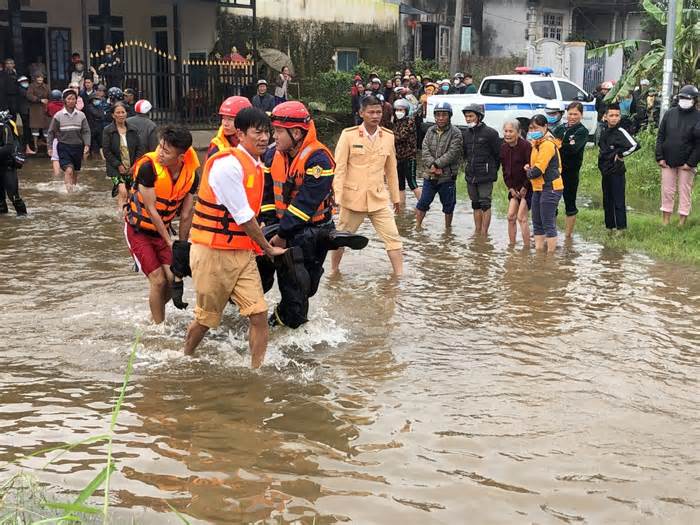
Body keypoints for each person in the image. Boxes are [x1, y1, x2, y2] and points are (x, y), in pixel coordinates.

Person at [183, 108, 286, 363]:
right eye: (257, 132)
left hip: (242, 252)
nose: (264, 138)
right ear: (240, 134)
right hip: (212, 252)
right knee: (205, 320)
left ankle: (256, 371)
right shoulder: (227, 165)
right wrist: (268, 248)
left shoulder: (257, 165)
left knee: (259, 313)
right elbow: (243, 217)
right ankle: (184, 357)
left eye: (267, 132)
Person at [259, 101, 367, 328]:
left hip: (309, 229)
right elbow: (268, 196)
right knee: (276, 283)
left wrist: (281, 235)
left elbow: (304, 205)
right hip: (281, 227)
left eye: (278, 131)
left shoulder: (319, 159)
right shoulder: (271, 155)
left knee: (306, 287)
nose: (273, 136)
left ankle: (329, 239)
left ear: (296, 132)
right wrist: (269, 226)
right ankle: (270, 323)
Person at [125, 125, 200, 324]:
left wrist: (181, 249)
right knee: (158, 280)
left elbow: (186, 215)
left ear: (181, 157)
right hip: (138, 230)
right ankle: (159, 330)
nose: (160, 153)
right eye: (160, 147)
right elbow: (151, 209)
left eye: (166, 151)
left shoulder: (192, 176)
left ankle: (153, 315)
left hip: (162, 231)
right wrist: (169, 243)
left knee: (171, 278)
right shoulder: (148, 167)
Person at [332, 95, 403, 276]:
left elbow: (391, 170)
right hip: (353, 199)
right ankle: (333, 272)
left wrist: (396, 198)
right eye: (371, 112)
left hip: (378, 199)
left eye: (378, 112)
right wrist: (337, 198)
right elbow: (339, 169)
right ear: (361, 113)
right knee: (340, 239)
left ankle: (399, 276)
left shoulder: (387, 136)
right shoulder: (348, 135)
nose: (375, 116)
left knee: (393, 238)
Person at [655, 84, 700, 226]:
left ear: (694, 100)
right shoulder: (670, 113)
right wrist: (660, 157)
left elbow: (699, 144)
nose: (684, 100)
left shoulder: (698, 117)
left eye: (688, 98)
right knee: (667, 190)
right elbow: (661, 136)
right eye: (682, 97)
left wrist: (691, 163)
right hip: (667, 160)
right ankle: (665, 220)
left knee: (684, 191)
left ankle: (682, 222)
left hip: (687, 163)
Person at [415, 101, 461, 229]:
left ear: (449, 116)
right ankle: (417, 227)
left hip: (447, 176)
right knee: (423, 203)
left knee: (448, 206)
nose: (440, 118)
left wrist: (437, 164)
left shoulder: (455, 133)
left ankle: (448, 230)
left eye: (444, 115)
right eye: (438, 115)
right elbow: (424, 150)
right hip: (429, 175)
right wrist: (432, 166)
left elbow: (453, 152)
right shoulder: (430, 130)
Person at [598, 103, 640, 233]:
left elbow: (634, 145)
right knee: (607, 200)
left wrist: (621, 155)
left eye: (617, 115)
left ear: (620, 117)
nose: (614, 118)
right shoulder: (604, 131)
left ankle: (621, 228)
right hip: (605, 171)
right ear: (605, 117)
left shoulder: (621, 131)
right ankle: (609, 227)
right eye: (611, 115)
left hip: (617, 171)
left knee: (618, 200)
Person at [524, 114, 564, 252]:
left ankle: (550, 257)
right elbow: (535, 166)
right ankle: (539, 254)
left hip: (551, 186)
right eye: (531, 128)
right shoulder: (537, 144)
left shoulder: (547, 144)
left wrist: (529, 172)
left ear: (545, 127)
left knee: (548, 223)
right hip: (538, 187)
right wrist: (530, 170)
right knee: (537, 223)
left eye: (536, 128)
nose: (533, 131)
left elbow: (539, 169)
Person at [461, 103, 501, 236]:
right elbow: (465, 154)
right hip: (470, 175)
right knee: (475, 204)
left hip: (486, 175)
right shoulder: (465, 134)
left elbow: (497, 155)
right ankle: (477, 231)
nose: (468, 119)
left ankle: (485, 233)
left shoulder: (491, 133)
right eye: (466, 116)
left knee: (485, 204)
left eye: (471, 116)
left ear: (479, 117)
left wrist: (491, 170)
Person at [551, 101, 588, 238]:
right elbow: (550, 145)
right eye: (570, 113)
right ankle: (551, 232)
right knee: (552, 202)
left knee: (570, 203)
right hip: (555, 171)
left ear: (581, 115)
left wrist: (559, 145)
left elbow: (573, 149)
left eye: (576, 114)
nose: (572, 117)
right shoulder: (560, 129)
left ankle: (568, 236)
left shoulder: (582, 131)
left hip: (571, 172)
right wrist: (560, 144)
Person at [47, 89, 91, 191]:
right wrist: (49, 147)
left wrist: (87, 145)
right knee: (69, 169)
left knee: (75, 171)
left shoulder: (81, 115)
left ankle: (73, 190)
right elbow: (51, 132)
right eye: (69, 99)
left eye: (73, 99)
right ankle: (68, 193)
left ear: (76, 101)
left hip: (77, 146)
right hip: (63, 146)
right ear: (64, 100)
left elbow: (86, 131)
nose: (71, 101)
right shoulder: (58, 115)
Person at [103, 102, 144, 210]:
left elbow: (140, 149)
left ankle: (129, 214)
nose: (121, 115)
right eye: (118, 113)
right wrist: (118, 165)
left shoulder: (133, 130)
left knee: (131, 193)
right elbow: (106, 151)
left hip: (132, 166)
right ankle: (120, 217)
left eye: (123, 112)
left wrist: (135, 165)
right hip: (115, 167)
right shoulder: (108, 130)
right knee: (122, 191)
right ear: (113, 115)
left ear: (126, 114)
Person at [500, 119, 532, 246]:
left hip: (528, 186)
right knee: (510, 216)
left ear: (518, 132)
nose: (507, 134)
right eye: (506, 131)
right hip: (514, 187)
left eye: (511, 131)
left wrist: (525, 187)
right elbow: (504, 169)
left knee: (521, 218)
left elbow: (531, 167)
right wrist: (510, 188)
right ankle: (512, 246)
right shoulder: (503, 148)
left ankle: (526, 248)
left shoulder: (526, 146)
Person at [392, 98, 421, 204]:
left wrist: (387, 137)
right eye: (397, 110)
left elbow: (401, 137)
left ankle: (423, 205)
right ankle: (401, 210)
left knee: (412, 183)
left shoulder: (410, 121)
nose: (399, 112)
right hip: (398, 158)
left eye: (401, 110)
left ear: (406, 111)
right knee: (400, 185)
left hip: (409, 157)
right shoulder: (396, 122)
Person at [0, 110, 27, 215]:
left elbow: (8, 147)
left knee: (14, 197)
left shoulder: (4, 127)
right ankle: (6, 223)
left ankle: (23, 221)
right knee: (0, 201)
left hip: (7, 166)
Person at [25, 73, 50, 153]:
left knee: (46, 128)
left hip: (44, 109)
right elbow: (29, 96)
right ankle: (36, 147)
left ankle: (48, 147)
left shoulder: (46, 86)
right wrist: (39, 100)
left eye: (41, 78)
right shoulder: (31, 86)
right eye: (38, 78)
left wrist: (48, 100)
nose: (40, 79)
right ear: (35, 78)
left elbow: (50, 95)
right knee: (35, 128)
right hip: (35, 109)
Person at [85, 90, 109, 159]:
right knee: (91, 147)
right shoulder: (89, 107)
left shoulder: (99, 107)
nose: (97, 101)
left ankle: (102, 159)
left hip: (99, 129)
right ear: (92, 100)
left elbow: (102, 116)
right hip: (91, 130)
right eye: (95, 99)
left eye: (98, 99)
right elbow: (98, 115)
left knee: (101, 145)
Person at [46, 89, 64, 177]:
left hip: (55, 134)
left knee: (55, 158)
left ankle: (56, 175)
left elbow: (47, 113)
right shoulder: (64, 106)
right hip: (66, 135)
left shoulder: (50, 105)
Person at [16, 76, 33, 155]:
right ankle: (26, 147)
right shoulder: (21, 90)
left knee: (28, 130)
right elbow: (29, 96)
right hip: (24, 112)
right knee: (26, 130)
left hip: (28, 111)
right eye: (23, 81)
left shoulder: (26, 89)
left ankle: (28, 146)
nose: (25, 82)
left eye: (26, 81)